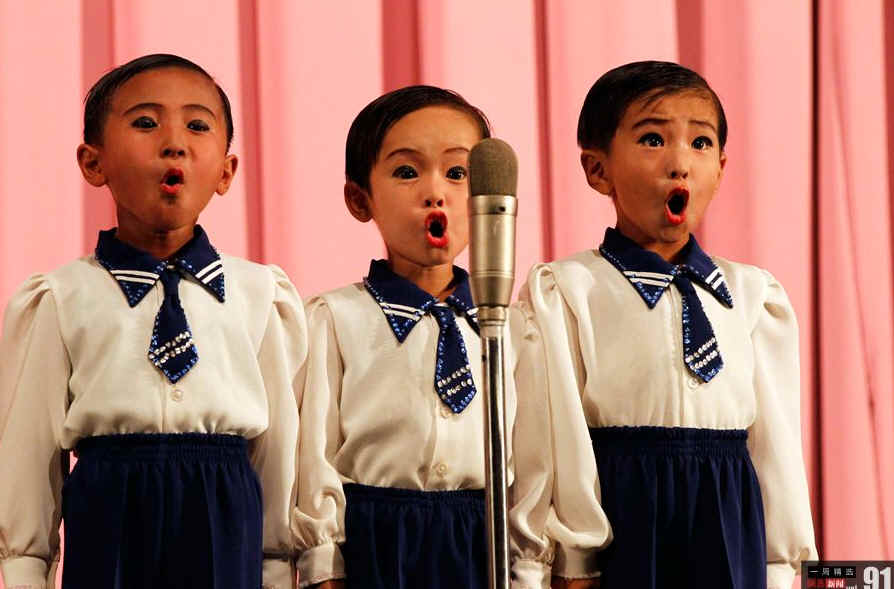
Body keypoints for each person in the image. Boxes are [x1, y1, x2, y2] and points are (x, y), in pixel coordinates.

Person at [0, 53, 305, 589]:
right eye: (145, 122)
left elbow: (279, 452)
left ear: (226, 171)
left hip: (225, 520)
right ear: (93, 163)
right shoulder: (60, 297)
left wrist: (279, 568)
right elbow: (27, 458)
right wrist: (24, 570)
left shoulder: (261, 295)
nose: (174, 143)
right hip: (110, 517)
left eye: (197, 126)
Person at [509, 61, 817, 589]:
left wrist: (783, 568)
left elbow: (776, 449)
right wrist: (571, 561)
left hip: (728, 522)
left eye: (700, 144)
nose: (680, 163)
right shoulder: (566, 291)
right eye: (653, 139)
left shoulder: (753, 295)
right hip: (626, 521)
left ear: (721, 168)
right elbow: (554, 439)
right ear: (598, 169)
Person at [293, 85, 516, 589]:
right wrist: (323, 566)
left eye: (457, 173)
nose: (435, 192)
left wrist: (527, 567)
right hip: (378, 541)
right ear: (360, 199)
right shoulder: (334, 318)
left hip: (482, 540)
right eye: (407, 172)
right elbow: (314, 457)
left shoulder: (513, 328)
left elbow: (530, 463)